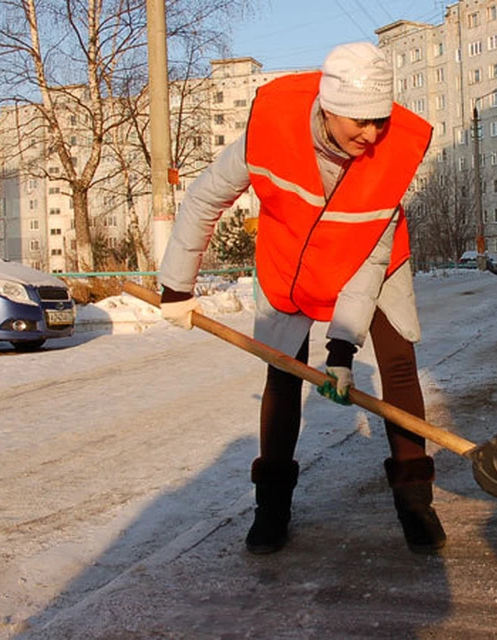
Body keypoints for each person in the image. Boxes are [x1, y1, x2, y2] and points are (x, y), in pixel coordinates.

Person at [157, 42, 446, 555]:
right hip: (290, 256)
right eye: (360, 121)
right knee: (284, 373)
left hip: (370, 260)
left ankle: (415, 503)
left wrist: (341, 350)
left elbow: (368, 263)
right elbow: (204, 198)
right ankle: (271, 508)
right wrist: (177, 286)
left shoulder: (387, 155)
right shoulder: (270, 131)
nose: (373, 134)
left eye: (380, 120)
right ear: (328, 107)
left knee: (399, 365)